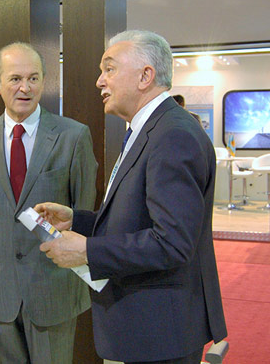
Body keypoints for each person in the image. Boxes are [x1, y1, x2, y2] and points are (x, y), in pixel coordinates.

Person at [37, 30, 227, 364]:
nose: (99, 81)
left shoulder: (172, 135)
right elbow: (139, 219)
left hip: (163, 330)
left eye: (109, 69)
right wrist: (78, 220)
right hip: (152, 326)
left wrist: (86, 250)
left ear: (145, 76)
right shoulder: (151, 128)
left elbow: (172, 242)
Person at [0, 42, 98, 363]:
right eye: (15, 79)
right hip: (0, 286)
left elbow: (82, 211)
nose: (25, 88)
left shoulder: (73, 136)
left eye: (34, 78)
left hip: (53, 287)